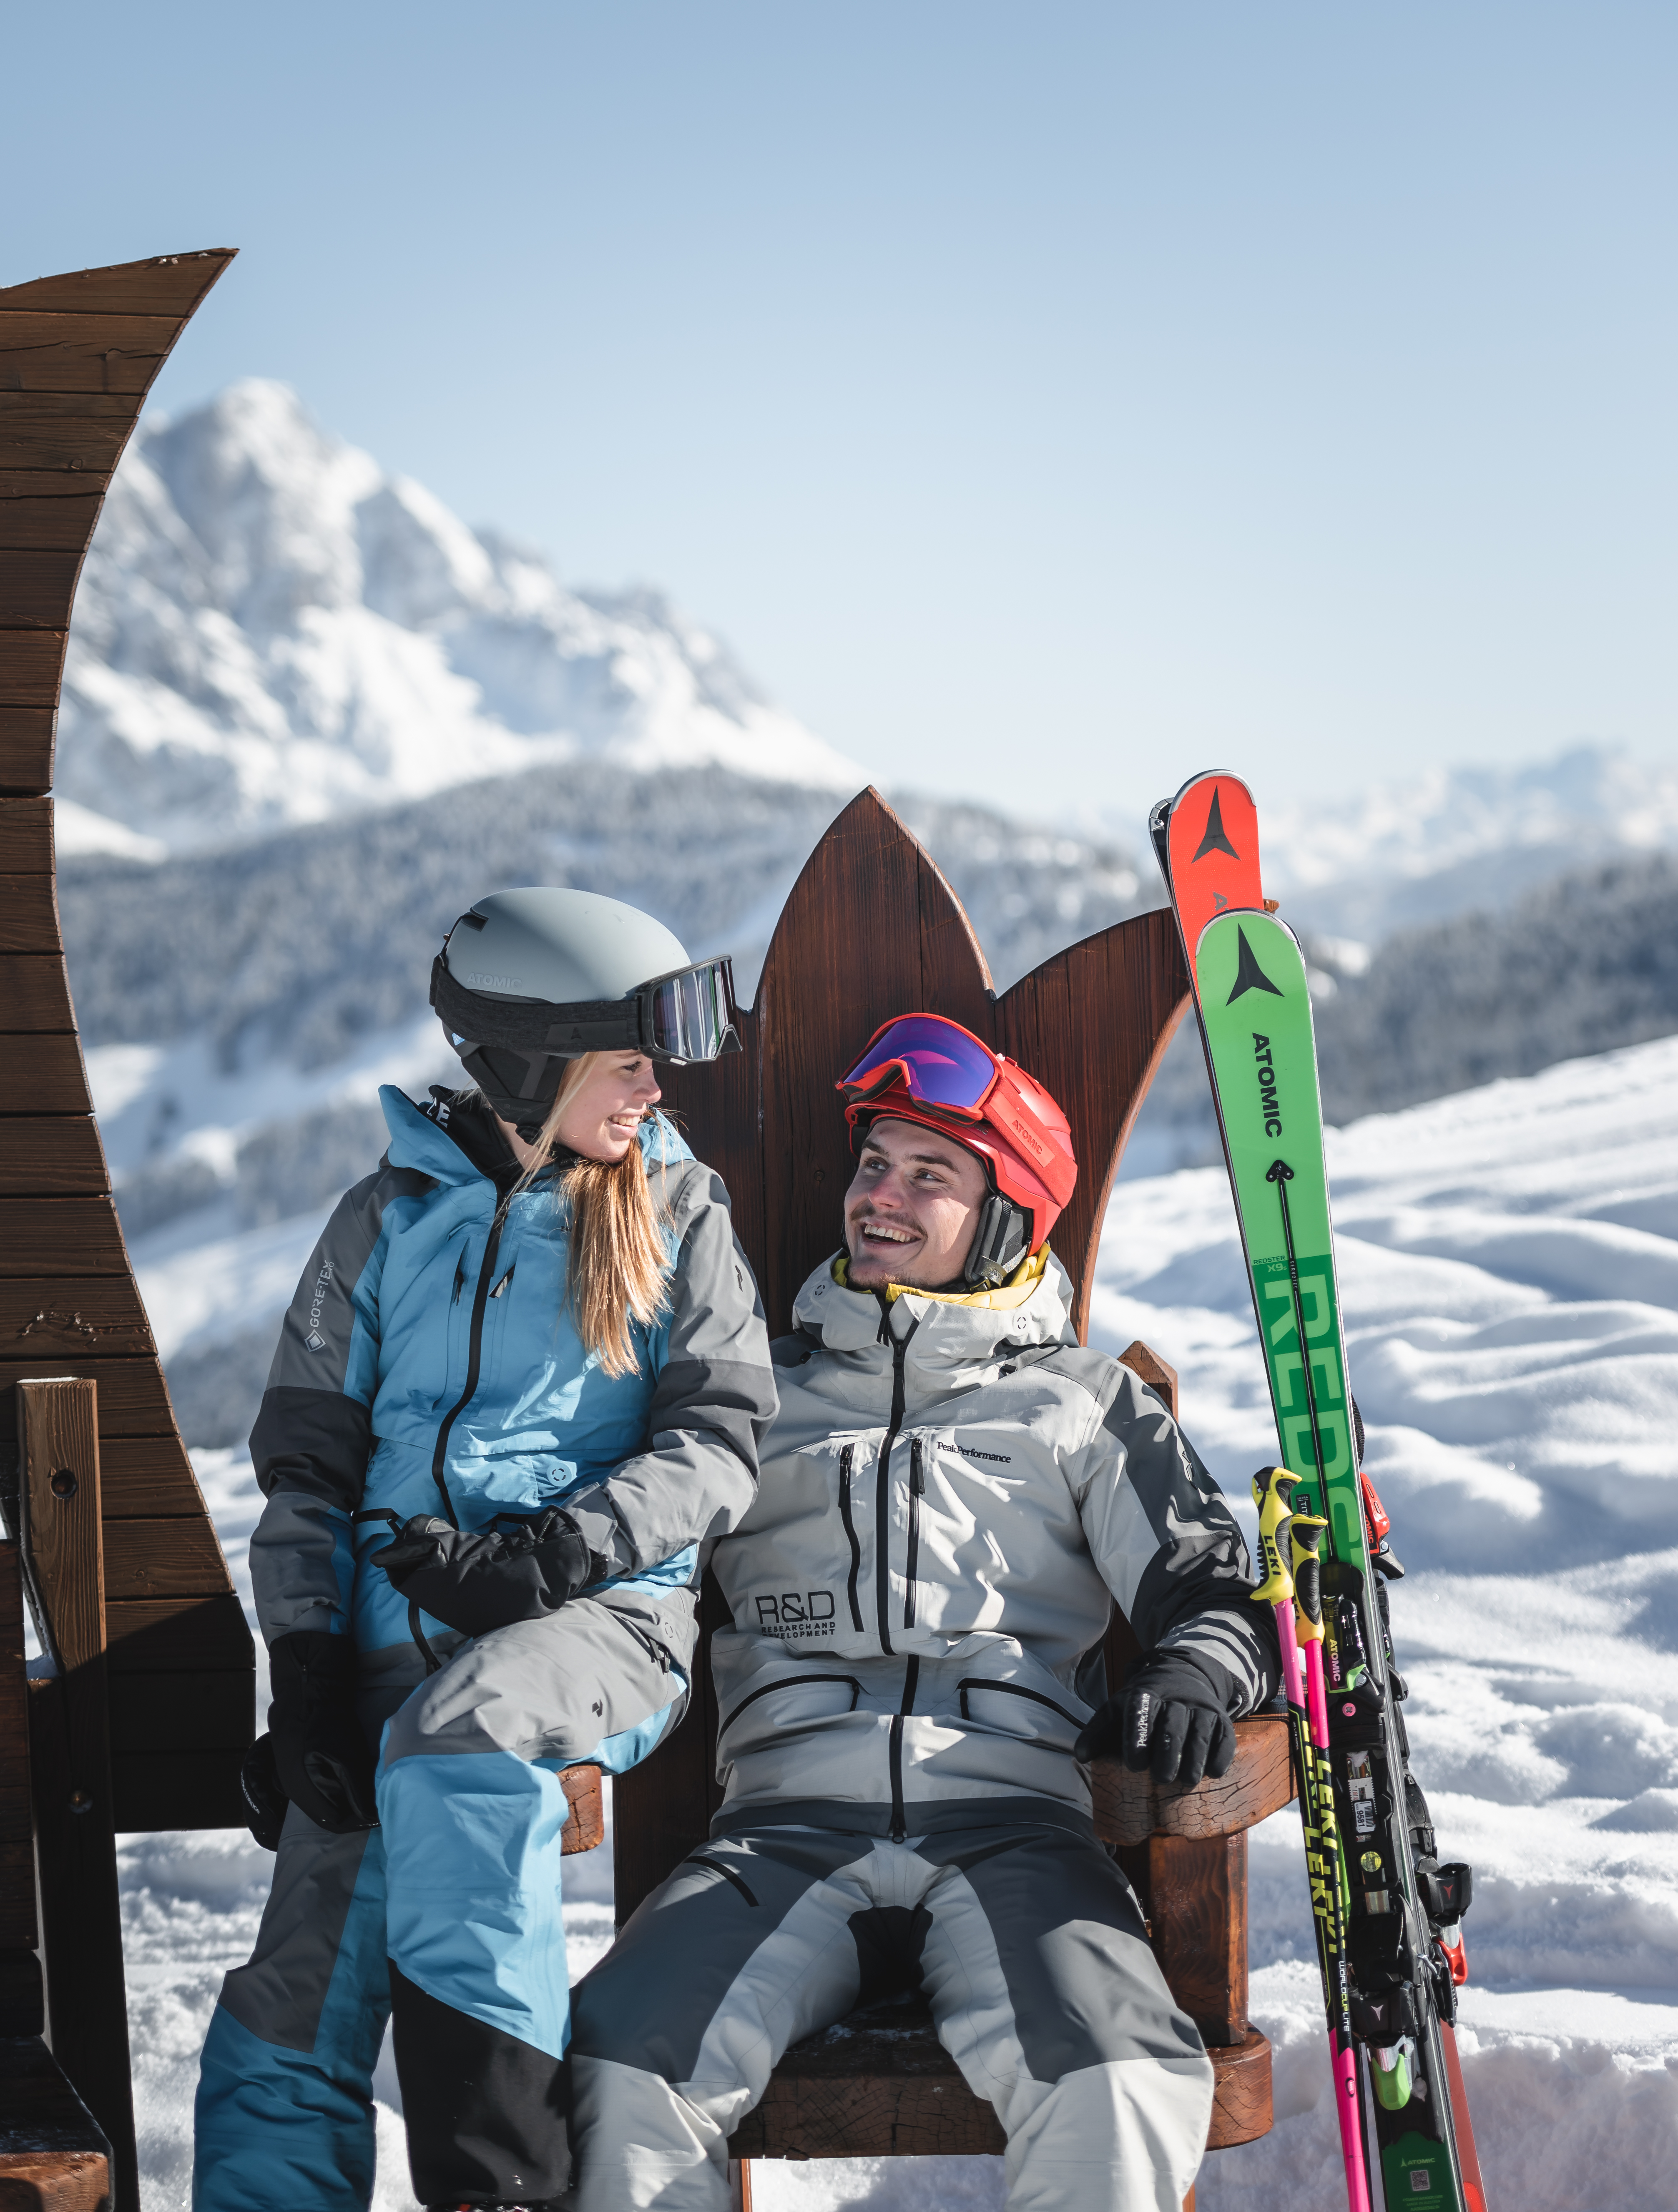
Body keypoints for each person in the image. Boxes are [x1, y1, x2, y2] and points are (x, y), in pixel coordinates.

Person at [569, 1011, 1280, 2212]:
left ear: (1004, 1215)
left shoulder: (1082, 1404)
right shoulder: (753, 1396)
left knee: (1117, 2078)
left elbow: (1216, 1590)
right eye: (871, 1165)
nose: (879, 1197)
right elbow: (633, 1594)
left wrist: (1196, 1677)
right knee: (615, 2073)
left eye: (928, 1175)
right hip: (782, 1831)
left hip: (1017, 1832)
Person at [193, 887, 777, 2212]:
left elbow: (719, 1447)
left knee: (464, 1739)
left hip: (595, 1623)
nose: (651, 1082)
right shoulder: (382, 1223)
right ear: (527, 1062)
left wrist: (558, 1557)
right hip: (394, 1657)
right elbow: (304, 1476)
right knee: (295, 1994)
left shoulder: (678, 1215)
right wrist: (311, 1674)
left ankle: (494, 2189)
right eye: (623, 1054)